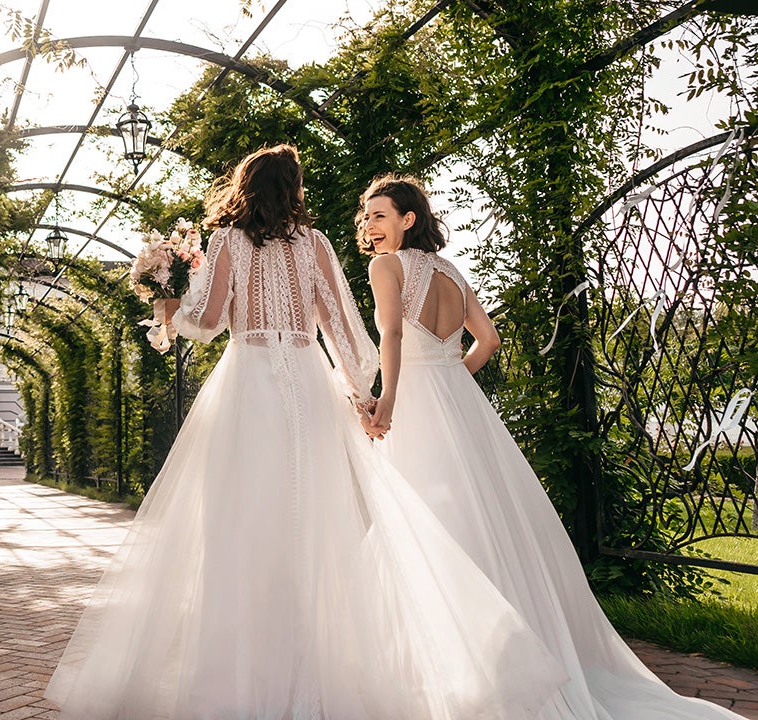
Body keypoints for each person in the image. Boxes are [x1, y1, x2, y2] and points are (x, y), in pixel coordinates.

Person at [45, 146, 567, 720]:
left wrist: (173, 308)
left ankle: (240, 678)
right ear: (293, 190)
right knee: (321, 520)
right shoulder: (316, 244)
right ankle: (321, 668)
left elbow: (211, 321)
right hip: (308, 381)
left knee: (237, 522)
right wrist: (361, 395)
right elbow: (340, 326)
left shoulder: (227, 243)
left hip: (249, 382)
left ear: (244, 187)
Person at [359, 172, 747, 720]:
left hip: (418, 406)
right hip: (462, 406)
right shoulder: (451, 271)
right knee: (482, 522)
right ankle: (509, 650)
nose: (369, 225)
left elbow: (391, 338)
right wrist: (451, 377)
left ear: (408, 219)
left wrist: (389, 402)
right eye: (367, 215)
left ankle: (457, 666)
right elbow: (488, 341)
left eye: (379, 214)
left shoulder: (386, 266)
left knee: (427, 526)